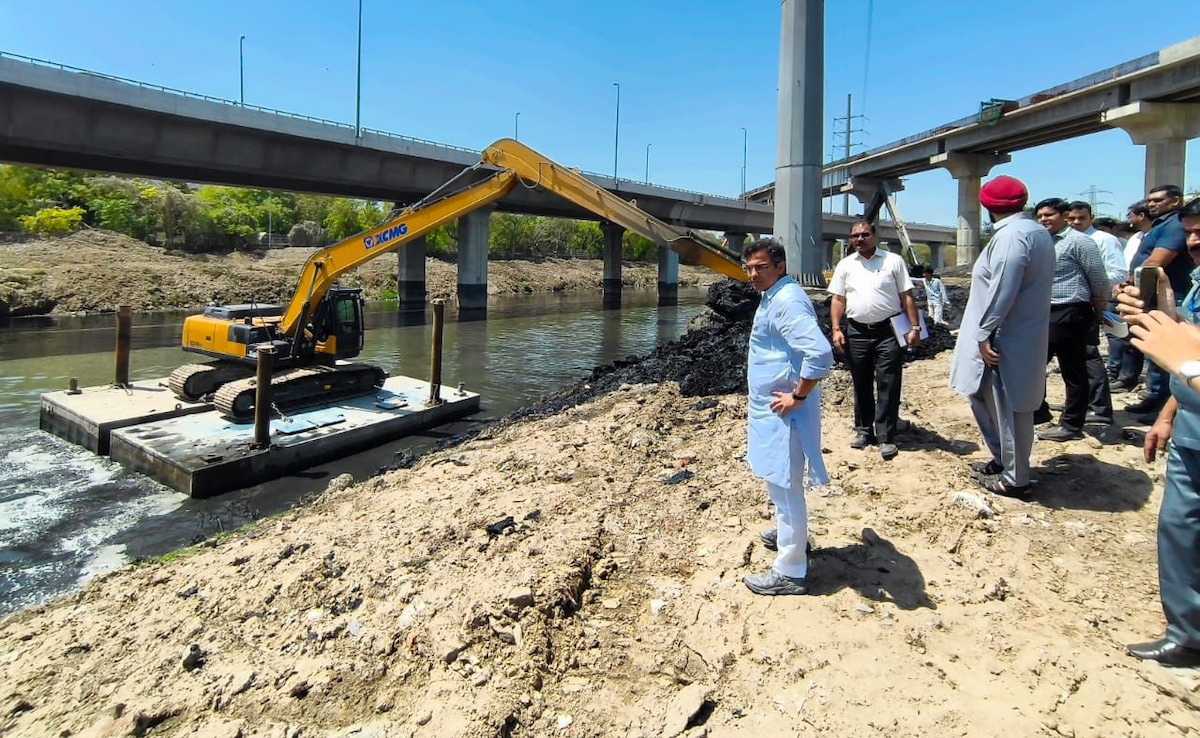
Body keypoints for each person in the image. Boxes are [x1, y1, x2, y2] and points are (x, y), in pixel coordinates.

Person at [1119, 196, 1200, 667]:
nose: (1192, 242)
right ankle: (1188, 631)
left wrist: (1186, 362)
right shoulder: (1196, 286)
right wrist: (1168, 413)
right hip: (1190, 427)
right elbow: (1187, 355)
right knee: (1180, 531)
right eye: (1189, 232)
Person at [949, 175, 1055, 497]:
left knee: (1007, 408)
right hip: (1017, 335)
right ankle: (1003, 460)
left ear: (987, 206)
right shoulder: (1036, 233)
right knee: (985, 399)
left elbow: (1002, 291)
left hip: (1001, 339)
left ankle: (1015, 478)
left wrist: (984, 334)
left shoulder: (1012, 238)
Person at [741, 238, 834, 596]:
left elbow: (820, 354)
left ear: (780, 266)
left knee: (786, 485)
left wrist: (798, 396)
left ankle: (791, 569)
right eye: (749, 268)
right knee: (779, 482)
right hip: (774, 411)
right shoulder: (775, 296)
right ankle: (789, 535)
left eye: (761, 267)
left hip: (786, 413)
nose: (753, 274)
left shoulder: (786, 303)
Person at [828, 221, 922, 460]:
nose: (860, 239)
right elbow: (838, 299)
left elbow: (906, 296)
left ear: (875, 236)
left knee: (888, 383)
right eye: (855, 236)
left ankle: (886, 437)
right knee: (860, 383)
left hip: (888, 332)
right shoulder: (846, 265)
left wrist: (915, 327)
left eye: (865, 234)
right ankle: (863, 430)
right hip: (856, 332)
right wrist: (836, 328)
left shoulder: (893, 261)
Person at [1033, 197, 1111, 440]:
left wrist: (1099, 308)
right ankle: (1038, 410)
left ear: (1064, 216)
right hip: (1045, 311)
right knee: (1034, 365)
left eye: (1049, 215)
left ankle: (1072, 424)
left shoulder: (1079, 242)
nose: (1044, 219)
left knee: (1073, 369)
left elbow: (1098, 277)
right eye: (1040, 215)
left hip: (1070, 311)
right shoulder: (1042, 242)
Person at [1126, 185, 1190, 420]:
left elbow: (1157, 260)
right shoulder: (1160, 225)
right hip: (1156, 294)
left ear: (1175, 201)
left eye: (1158, 200)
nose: (1151, 204)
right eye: (1150, 200)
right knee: (1155, 351)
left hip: (1171, 295)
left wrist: (1133, 281)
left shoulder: (1174, 225)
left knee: (1168, 350)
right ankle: (1154, 397)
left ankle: (1164, 405)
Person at [1068, 200, 1125, 424]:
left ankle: (1100, 409)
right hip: (1069, 306)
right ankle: (1080, 404)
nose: (1076, 223)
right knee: (1072, 357)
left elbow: (1119, 272)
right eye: (1071, 219)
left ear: (1091, 217)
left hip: (1092, 304)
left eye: (1081, 218)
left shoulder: (1104, 240)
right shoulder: (1065, 241)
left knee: (1088, 354)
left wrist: (1091, 286)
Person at [1112, 200, 1154, 389]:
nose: (1129, 219)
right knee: (1124, 337)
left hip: (1146, 292)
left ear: (1141, 216)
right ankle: (1123, 375)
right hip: (1128, 290)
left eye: (1130, 215)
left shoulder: (1153, 236)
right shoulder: (1137, 237)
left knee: (1139, 339)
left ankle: (1132, 378)